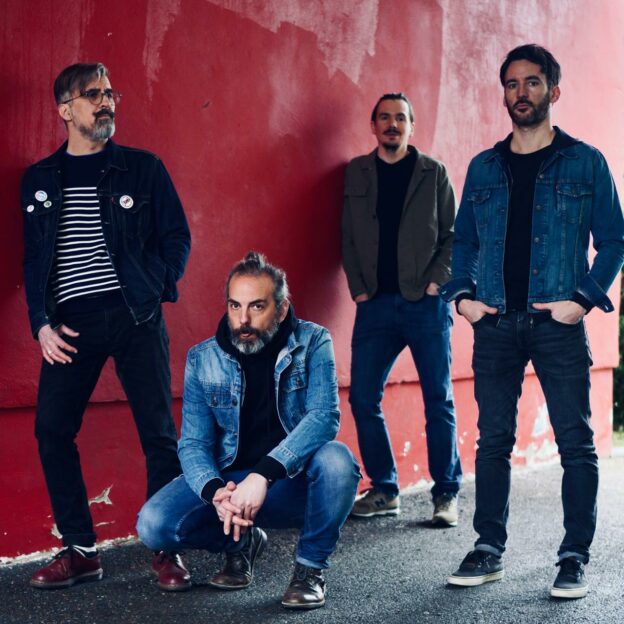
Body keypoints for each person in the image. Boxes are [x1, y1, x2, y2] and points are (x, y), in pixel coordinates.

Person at [440, 44, 624, 599]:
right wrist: (463, 298)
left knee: (576, 443)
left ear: (553, 91)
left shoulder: (586, 162)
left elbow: (614, 241)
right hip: (494, 323)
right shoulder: (483, 167)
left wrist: (582, 300)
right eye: (512, 83)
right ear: (505, 93)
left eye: (533, 82)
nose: (521, 92)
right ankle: (487, 548)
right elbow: (463, 242)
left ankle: (573, 557)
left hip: (557, 323)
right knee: (493, 441)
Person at [22, 63, 191, 589]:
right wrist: (41, 324)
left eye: (110, 93)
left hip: (135, 315)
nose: (106, 102)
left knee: (158, 433)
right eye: (92, 94)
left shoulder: (142, 168)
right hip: (71, 323)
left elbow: (177, 237)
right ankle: (80, 551)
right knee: (51, 428)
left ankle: (166, 547)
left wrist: (153, 288)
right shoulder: (39, 179)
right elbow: (34, 260)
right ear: (65, 110)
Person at [137, 252, 360, 609]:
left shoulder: (313, 341)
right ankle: (240, 543)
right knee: (153, 525)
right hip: (231, 486)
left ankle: (309, 570)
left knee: (337, 462)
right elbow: (193, 443)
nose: (243, 319)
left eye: (257, 306)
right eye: (235, 306)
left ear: (281, 309)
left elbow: (323, 417)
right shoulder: (202, 359)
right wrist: (215, 493)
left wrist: (263, 474)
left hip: (288, 482)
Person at [341, 92, 462, 525]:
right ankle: (385, 490)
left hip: (425, 305)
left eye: (400, 118)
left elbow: (454, 235)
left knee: (438, 399)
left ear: (412, 126)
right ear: (373, 125)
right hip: (374, 304)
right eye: (384, 117)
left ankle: (446, 494)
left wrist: (436, 284)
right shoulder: (357, 172)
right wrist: (359, 288)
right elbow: (347, 235)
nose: (392, 124)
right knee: (363, 398)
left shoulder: (433, 172)